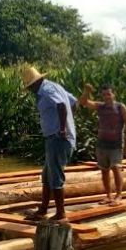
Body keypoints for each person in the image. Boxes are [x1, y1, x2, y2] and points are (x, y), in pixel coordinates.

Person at [22, 66, 77, 222]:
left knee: (56, 176)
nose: (30, 90)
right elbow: (73, 102)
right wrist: (69, 123)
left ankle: (61, 213)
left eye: (30, 86)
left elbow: (61, 106)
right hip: (55, 137)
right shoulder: (54, 86)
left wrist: (62, 128)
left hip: (58, 138)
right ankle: (43, 210)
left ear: (34, 83)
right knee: (47, 176)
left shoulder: (46, 90)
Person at [78, 83, 126, 205]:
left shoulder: (120, 107)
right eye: (104, 95)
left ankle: (119, 196)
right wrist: (87, 91)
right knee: (104, 170)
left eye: (108, 94)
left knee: (116, 168)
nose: (106, 97)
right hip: (102, 144)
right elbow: (83, 102)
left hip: (116, 144)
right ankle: (108, 195)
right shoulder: (100, 106)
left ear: (114, 94)